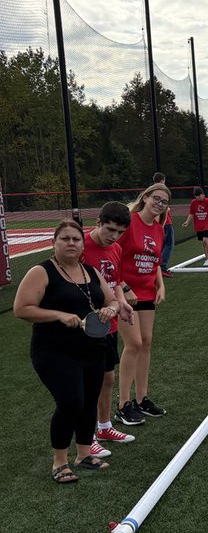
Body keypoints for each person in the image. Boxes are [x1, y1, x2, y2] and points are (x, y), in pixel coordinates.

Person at [14, 220, 119, 483]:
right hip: (54, 351)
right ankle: (59, 461)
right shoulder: (42, 272)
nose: (71, 243)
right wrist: (59, 315)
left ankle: (84, 453)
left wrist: (111, 309)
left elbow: (112, 300)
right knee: (71, 401)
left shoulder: (91, 271)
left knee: (88, 400)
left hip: (93, 348)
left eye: (76, 239)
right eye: (65, 239)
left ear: (83, 245)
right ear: (54, 243)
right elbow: (22, 308)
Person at [82, 202, 137, 452]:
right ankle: (87, 436)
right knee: (87, 381)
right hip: (85, 326)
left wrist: (122, 303)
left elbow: (115, 282)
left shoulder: (115, 248)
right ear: (98, 223)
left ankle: (104, 427)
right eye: (110, 229)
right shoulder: (80, 246)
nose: (114, 236)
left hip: (110, 324)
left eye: (120, 232)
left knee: (107, 378)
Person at [116, 182, 169, 425]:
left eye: (164, 201)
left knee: (146, 343)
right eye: (156, 198)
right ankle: (123, 404)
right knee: (134, 343)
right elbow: (112, 257)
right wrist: (123, 287)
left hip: (147, 293)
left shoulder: (159, 229)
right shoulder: (129, 222)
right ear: (145, 197)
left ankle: (142, 399)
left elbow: (155, 261)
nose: (159, 203)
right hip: (125, 295)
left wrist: (161, 284)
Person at [183, 186, 208, 266]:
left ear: (203, 194)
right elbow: (191, 213)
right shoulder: (193, 203)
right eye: (197, 196)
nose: (199, 197)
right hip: (199, 225)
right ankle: (207, 258)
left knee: (205, 240)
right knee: (203, 242)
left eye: (200, 195)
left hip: (207, 224)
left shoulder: (207, 201)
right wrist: (187, 222)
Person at [152, 171, 175, 277]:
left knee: (159, 245)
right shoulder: (162, 191)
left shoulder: (151, 192)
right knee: (169, 244)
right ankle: (163, 267)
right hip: (165, 222)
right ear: (162, 181)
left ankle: (156, 267)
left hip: (157, 223)